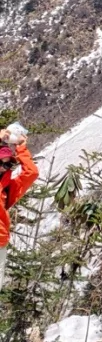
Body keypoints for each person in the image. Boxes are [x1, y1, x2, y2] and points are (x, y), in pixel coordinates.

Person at [0, 123, 38, 289]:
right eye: (1, 163)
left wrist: (21, 147)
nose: (4, 168)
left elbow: (31, 173)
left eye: (8, 165)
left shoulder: (8, 187)